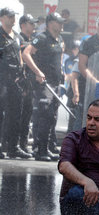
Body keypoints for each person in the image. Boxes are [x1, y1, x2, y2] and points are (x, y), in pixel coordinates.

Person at [22, 12, 65, 161]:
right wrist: (38, 72)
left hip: (56, 83)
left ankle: (45, 148)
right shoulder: (41, 38)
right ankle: (39, 150)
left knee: (52, 117)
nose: (61, 25)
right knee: (44, 114)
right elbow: (26, 54)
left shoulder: (59, 39)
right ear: (50, 23)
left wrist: (62, 73)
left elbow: (60, 57)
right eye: (59, 22)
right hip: (44, 83)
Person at [0, 8, 33, 159]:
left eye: (14, 16)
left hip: (15, 81)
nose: (13, 19)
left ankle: (13, 147)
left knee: (15, 116)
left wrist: (22, 74)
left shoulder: (17, 36)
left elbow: (20, 56)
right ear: (2, 18)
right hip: (2, 80)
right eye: (9, 16)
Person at [18, 13, 39, 154]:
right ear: (24, 25)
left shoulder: (32, 40)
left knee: (27, 116)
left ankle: (23, 144)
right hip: (21, 84)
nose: (34, 26)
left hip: (31, 84)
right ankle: (13, 144)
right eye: (31, 23)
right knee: (17, 116)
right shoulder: (18, 39)